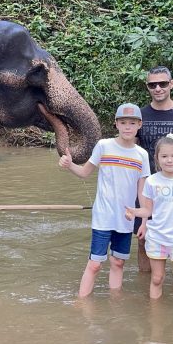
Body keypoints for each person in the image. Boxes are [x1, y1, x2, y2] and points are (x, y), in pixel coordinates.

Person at [59, 103, 151, 298]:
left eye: (132, 123)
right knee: (94, 264)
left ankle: (114, 303)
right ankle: (81, 303)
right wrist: (69, 165)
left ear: (139, 125)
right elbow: (84, 172)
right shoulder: (104, 146)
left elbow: (142, 191)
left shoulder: (141, 155)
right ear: (116, 124)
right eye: (123, 122)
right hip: (103, 216)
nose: (127, 127)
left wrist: (143, 221)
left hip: (126, 218)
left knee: (118, 263)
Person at [125, 135, 173, 304]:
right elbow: (147, 210)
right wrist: (134, 212)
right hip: (157, 237)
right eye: (164, 156)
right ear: (157, 158)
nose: (169, 160)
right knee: (157, 278)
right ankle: (155, 318)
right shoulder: (151, 181)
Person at [136, 66, 173, 272]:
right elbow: (130, 149)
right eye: (152, 85)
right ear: (148, 87)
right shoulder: (139, 115)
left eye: (162, 84)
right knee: (143, 238)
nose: (158, 88)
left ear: (171, 84)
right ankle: (147, 284)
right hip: (147, 187)